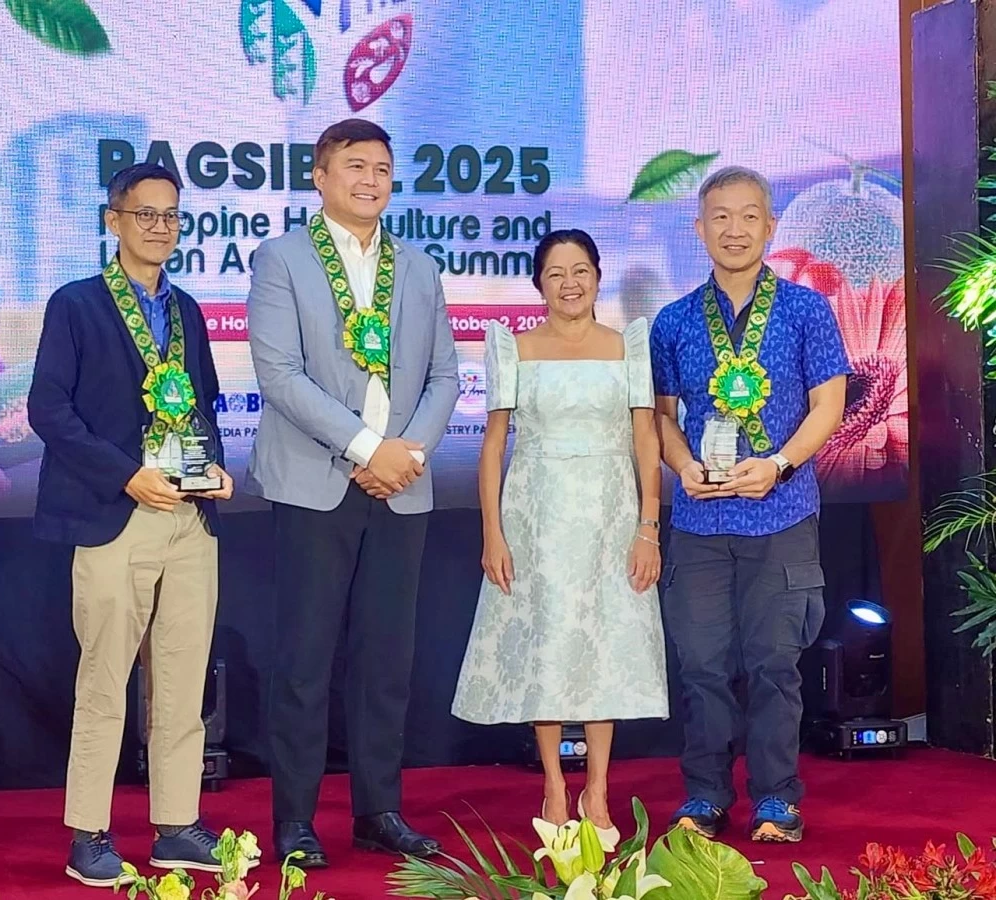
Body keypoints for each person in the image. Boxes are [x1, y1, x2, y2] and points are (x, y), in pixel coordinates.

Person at [245, 118, 459, 869]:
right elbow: (280, 375)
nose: (370, 179)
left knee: (387, 662)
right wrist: (368, 448)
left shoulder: (421, 266)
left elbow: (445, 379)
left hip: (401, 489)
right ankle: (297, 821)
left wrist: (407, 455)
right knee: (304, 659)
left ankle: (378, 812)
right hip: (316, 485)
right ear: (321, 176)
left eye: (382, 168)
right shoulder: (282, 260)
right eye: (354, 166)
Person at [27, 163, 242, 886]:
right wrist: (126, 474)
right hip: (115, 515)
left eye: (172, 216)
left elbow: (201, 405)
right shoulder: (78, 305)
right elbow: (49, 412)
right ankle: (89, 832)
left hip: (188, 517)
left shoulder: (188, 312)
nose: (160, 227)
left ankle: (176, 825)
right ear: (112, 220)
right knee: (106, 682)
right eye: (145, 214)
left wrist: (211, 470)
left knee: (183, 682)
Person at [649, 166, 850, 843]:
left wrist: (781, 464)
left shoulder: (805, 310)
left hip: (781, 513)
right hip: (701, 521)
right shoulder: (675, 320)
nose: (734, 229)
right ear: (700, 228)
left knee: (774, 662)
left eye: (748, 216)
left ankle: (775, 799)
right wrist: (682, 467)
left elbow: (830, 404)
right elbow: (661, 416)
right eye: (720, 217)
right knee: (702, 666)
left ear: (769, 226)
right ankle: (704, 796)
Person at [451, 229, 669, 837]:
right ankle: (553, 785)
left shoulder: (628, 346)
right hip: (536, 512)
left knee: (603, 643)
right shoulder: (513, 348)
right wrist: (493, 531)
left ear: (598, 276)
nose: (569, 283)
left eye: (580, 271)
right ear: (539, 284)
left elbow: (645, 438)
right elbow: (493, 445)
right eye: (555, 273)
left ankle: (597, 790)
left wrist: (648, 524)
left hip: (610, 511)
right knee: (546, 643)